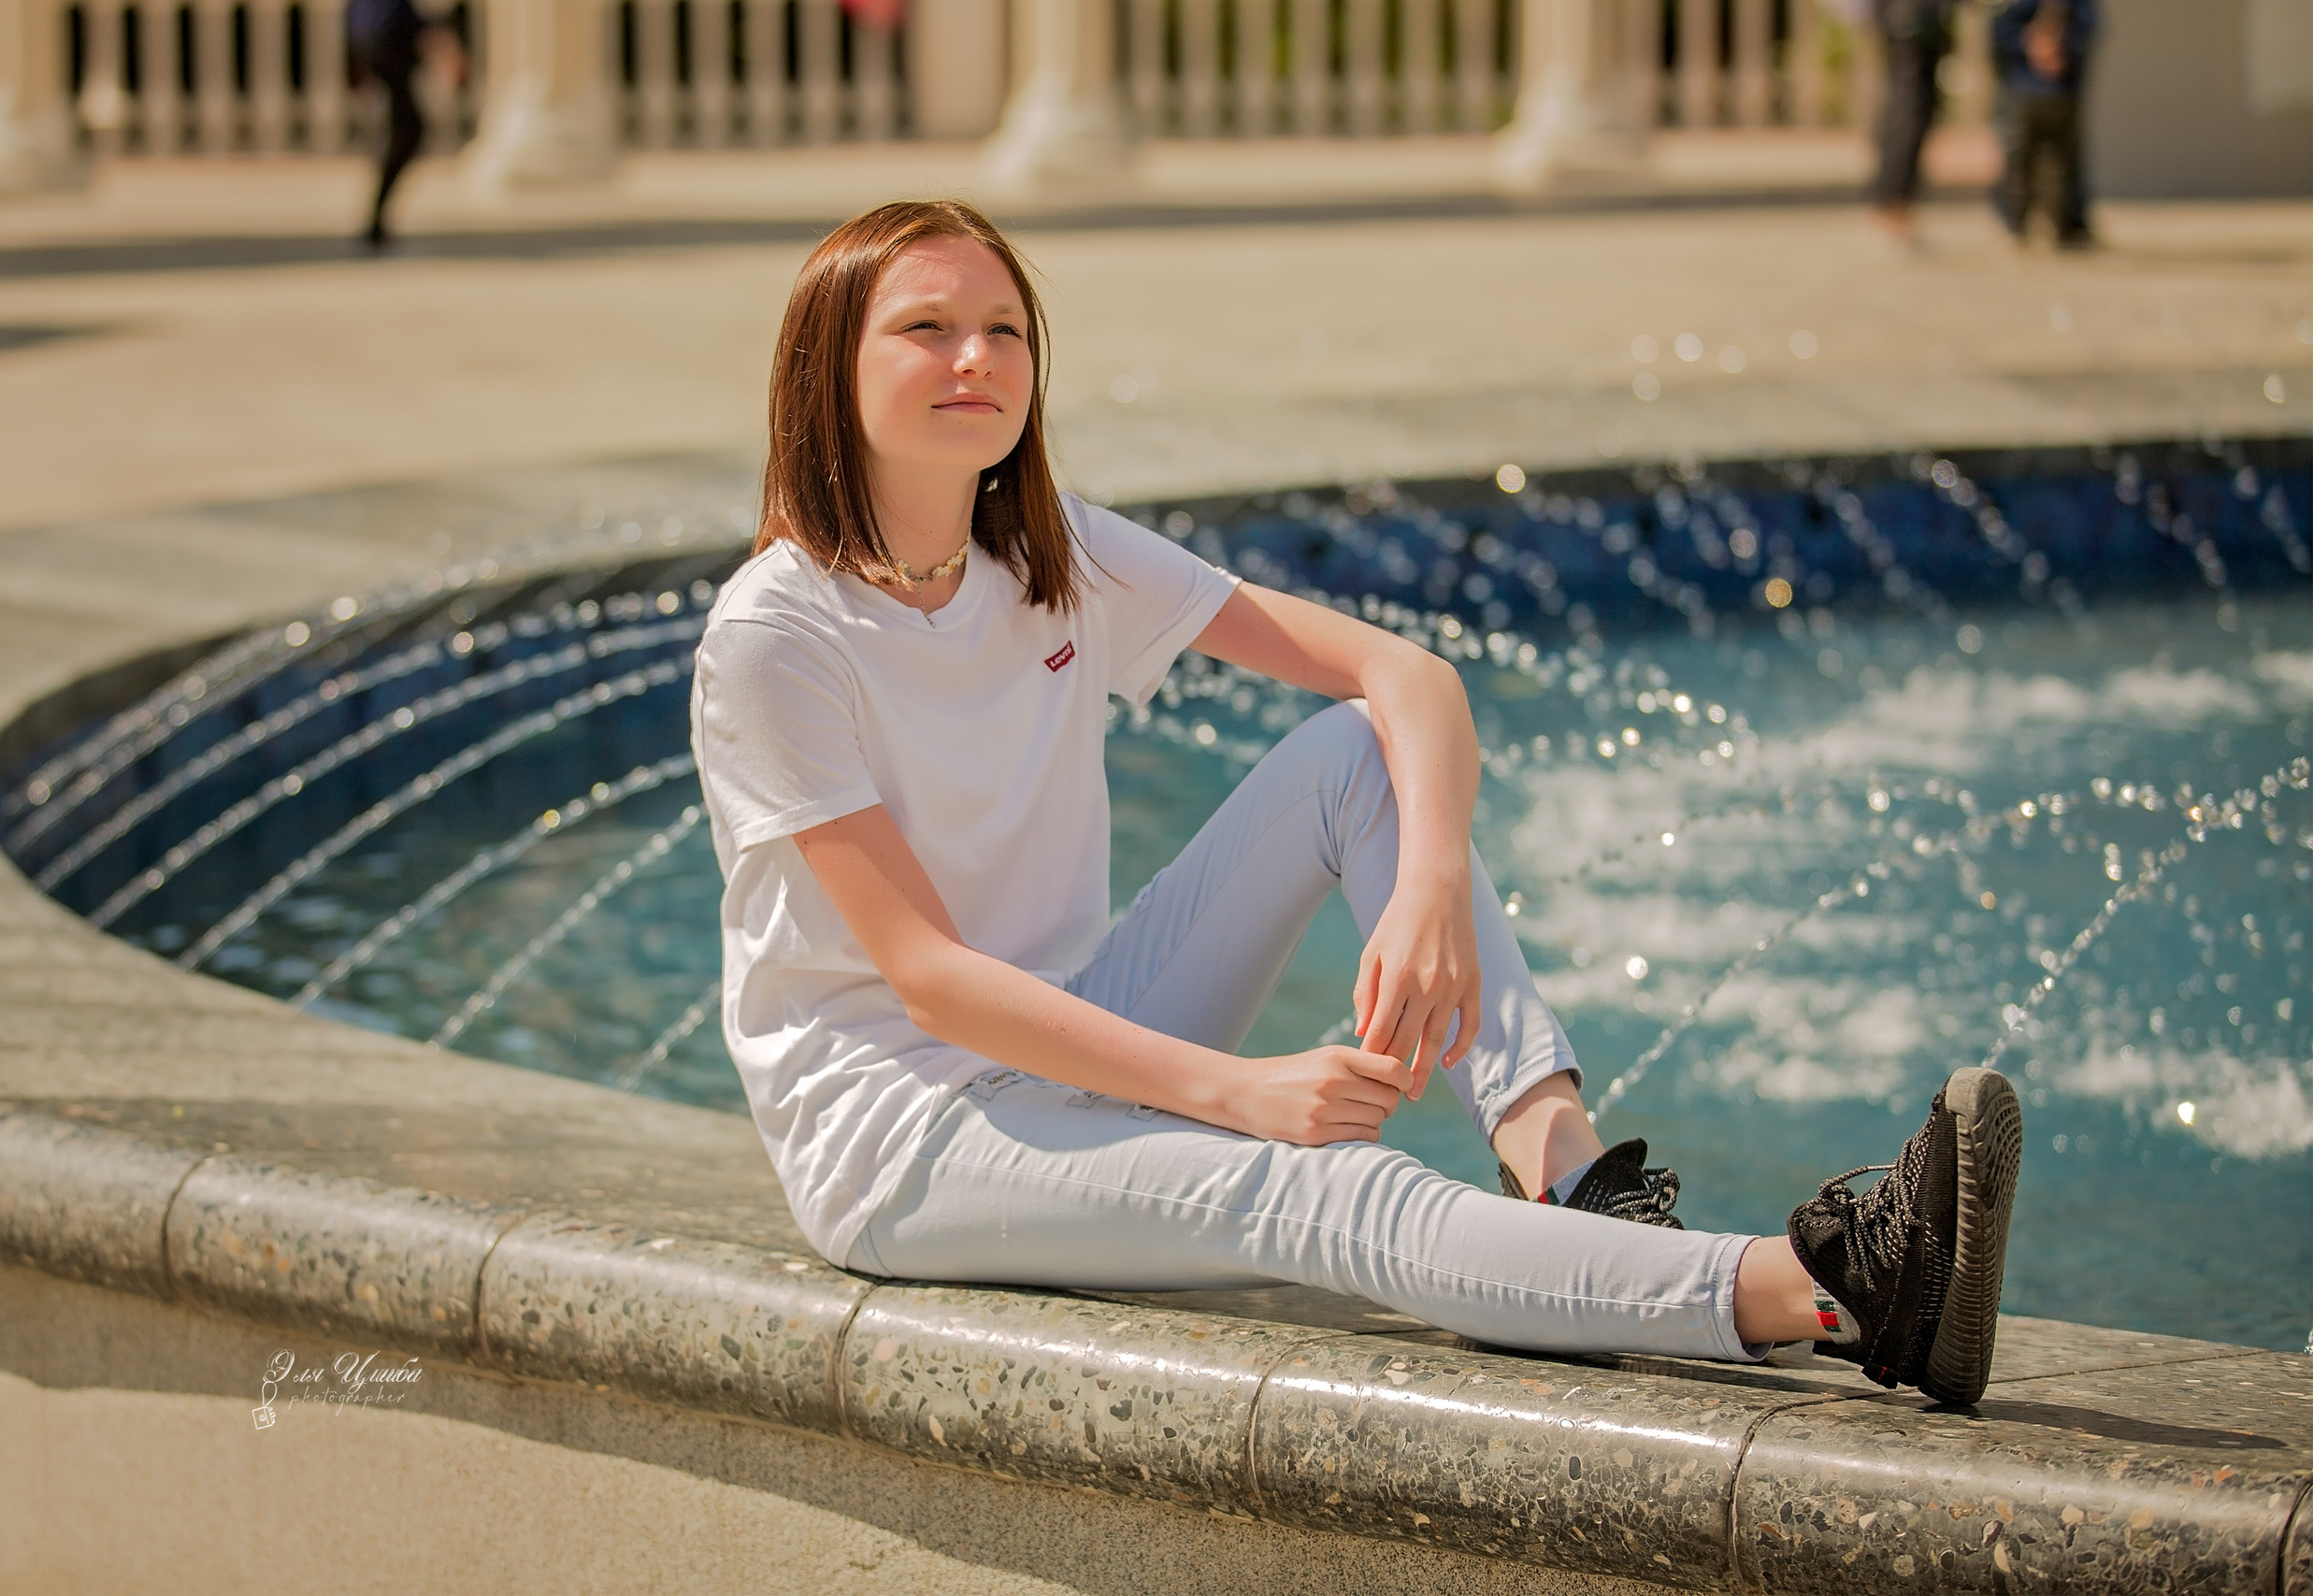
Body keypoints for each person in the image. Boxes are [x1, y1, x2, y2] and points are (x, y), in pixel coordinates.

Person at [689, 199, 2025, 1403]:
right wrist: (1236, 1090)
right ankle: (1833, 1290)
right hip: (906, 1132)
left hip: (1077, 1027)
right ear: (831, 369)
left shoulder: (1050, 549)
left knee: (1355, 752)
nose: (977, 359)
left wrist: (1431, 878)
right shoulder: (778, 634)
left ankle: (1573, 1176)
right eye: (926, 329)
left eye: (1003, 328)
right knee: (1320, 1186)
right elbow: (929, 977)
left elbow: (1405, 677)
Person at [344, 0, 460, 250]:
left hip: (379, 46)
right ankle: (376, 218)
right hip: (389, 45)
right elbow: (399, 20)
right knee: (408, 131)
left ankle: (377, 217)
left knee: (403, 131)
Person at [1991, 0, 2097, 249]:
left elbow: (2091, 26)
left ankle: (2065, 228)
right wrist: (2030, 46)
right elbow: (1998, 31)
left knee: (2063, 164)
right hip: (2024, 91)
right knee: (2019, 164)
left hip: (2063, 92)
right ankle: (2015, 227)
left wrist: (2063, 48)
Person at [1871, 0, 1962, 251]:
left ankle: (1897, 209)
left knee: (1910, 114)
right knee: (1908, 117)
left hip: (1913, 21)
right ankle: (1893, 211)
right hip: (1913, 21)